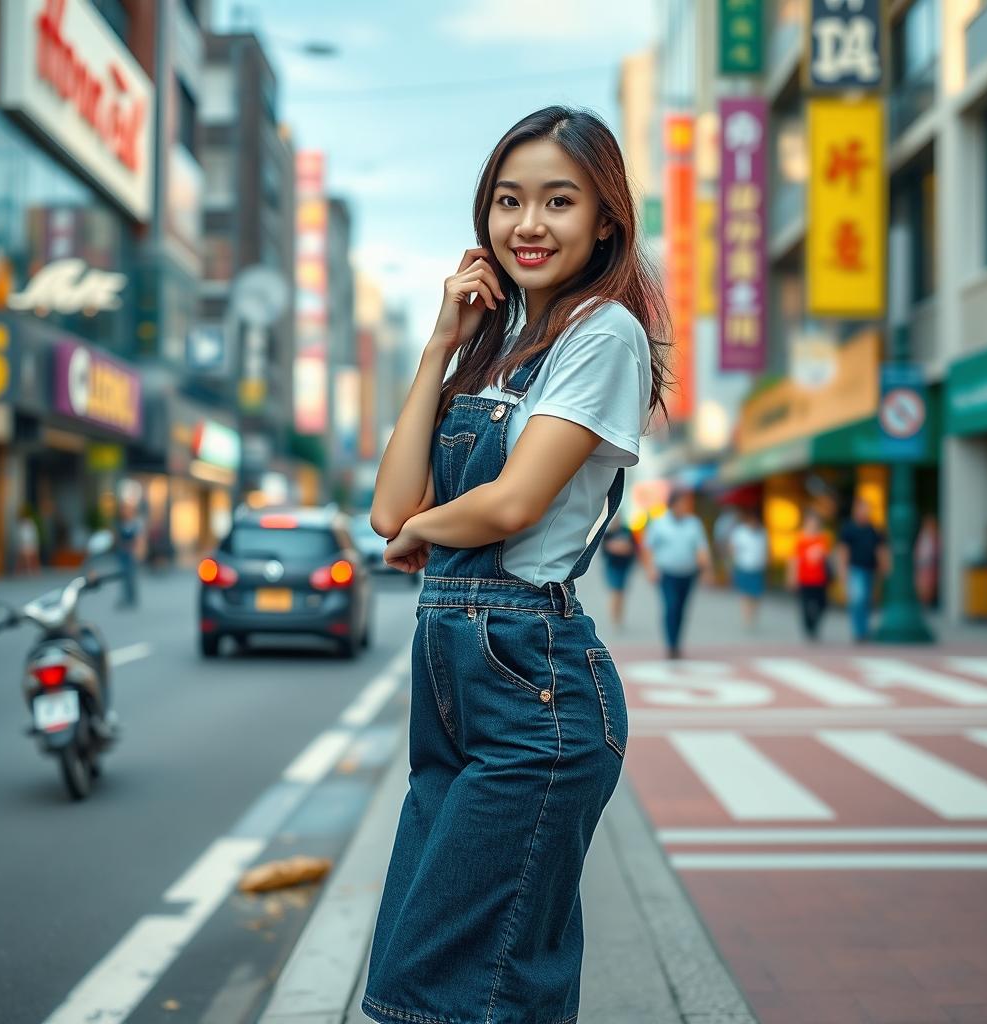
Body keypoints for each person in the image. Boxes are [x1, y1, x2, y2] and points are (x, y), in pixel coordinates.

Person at [362, 106, 670, 1024]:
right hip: (455, 678)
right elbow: (389, 509)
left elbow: (512, 503)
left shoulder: (603, 332)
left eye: (558, 201)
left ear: (605, 217)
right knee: (471, 980)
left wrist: (426, 529)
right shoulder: (494, 350)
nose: (527, 224)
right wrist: (440, 345)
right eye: (508, 201)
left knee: (445, 989)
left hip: (529, 680)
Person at [639, 489, 712, 659]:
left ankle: (677, 642)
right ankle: (671, 645)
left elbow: (701, 548)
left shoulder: (694, 523)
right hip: (667, 574)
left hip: (688, 573)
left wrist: (706, 570)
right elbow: (648, 548)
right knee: (671, 606)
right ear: (672, 504)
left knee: (681, 608)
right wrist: (650, 569)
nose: (684, 507)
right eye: (681, 503)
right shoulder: (659, 523)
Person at [838, 496, 890, 642]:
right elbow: (843, 551)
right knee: (858, 599)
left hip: (870, 570)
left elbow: (880, 549)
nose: (865, 512)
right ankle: (859, 631)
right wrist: (843, 572)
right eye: (863, 508)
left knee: (867, 600)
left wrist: (884, 568)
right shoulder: (849, 529)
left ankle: (864, 629)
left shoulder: (873, 529)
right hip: (855, 570)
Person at [789, 509, 832, 641]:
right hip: (805, 578)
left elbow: (828, 557)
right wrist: (792, 576)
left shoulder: (824, 538)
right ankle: (809, 627)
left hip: (820, 578)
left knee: (823, 604)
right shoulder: (800, 539)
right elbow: (794, 559)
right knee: (805, 605)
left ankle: (814, 624)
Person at [728, 506, 768, 629]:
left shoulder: (762, 533)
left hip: (757, 567)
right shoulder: (740, 532)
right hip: (744, 566)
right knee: (745, 594)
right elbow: (732, 548)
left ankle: (753, 615)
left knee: (756, 594)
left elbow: (766, 550)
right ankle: (747, 617)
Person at [599, 509, 638, 630]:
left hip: (624, 566)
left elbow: (633, 548)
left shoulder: (627, 531)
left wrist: (621, 548)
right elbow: (604, 551)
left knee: (621, 593)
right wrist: (617, 548)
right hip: (612, 566)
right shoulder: (608, 533)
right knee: (615, 592)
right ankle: (614, 617)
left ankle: (619, 616)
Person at [114, 497, 143, 609]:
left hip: (131, 552)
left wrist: (137, 550)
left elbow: (139, 538)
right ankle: (125, 597)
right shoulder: (119, 523)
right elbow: (117, 538)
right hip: (122, 552)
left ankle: (132, 597)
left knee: (131, 575)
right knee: (123, 575)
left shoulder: (135, 522)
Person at [914, 512, 940, 608]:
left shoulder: (935, 536)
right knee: (922, 586)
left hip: (930, 566)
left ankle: (928, 603)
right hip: (922, 565)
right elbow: (918, 550)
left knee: (929, 586)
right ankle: (924, 603)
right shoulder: (922, 535)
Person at [16, 504, 40, 574]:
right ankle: (26, 570)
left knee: (30, 555)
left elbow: (32, 536)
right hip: (24, 545)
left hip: (30, 544)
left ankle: (31, 570)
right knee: (24, 556)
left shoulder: (29, 523)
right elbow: (22, 537)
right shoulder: (23, 524)